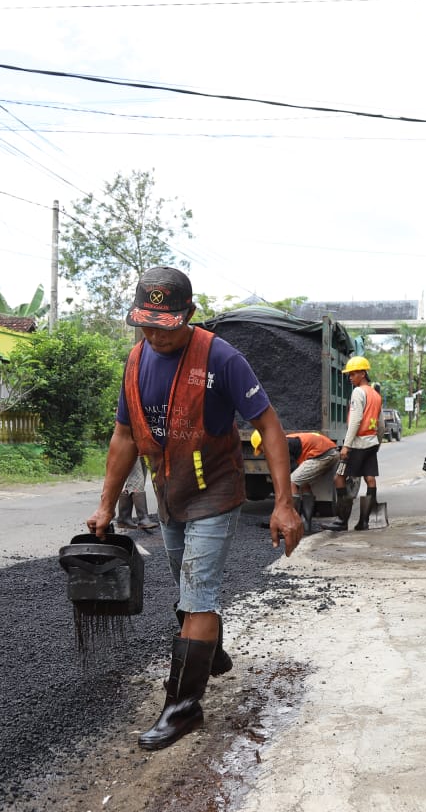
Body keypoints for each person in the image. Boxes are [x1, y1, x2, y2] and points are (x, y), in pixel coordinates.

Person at [87, 266, 303, 751]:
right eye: (146, 323)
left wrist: (284, 504)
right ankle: (212, 652)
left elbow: (268, 426)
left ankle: (183, 707)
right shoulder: (135, 360)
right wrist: (105, 505)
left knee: (198, 595)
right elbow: (124, 435)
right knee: (186, 589)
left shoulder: (221, 357)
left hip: (215, 492)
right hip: (170, 493)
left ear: (187, 315)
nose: (155, 334)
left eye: (165, 324)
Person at [332, 356, 382, 531]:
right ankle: (365, 522)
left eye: (353, 374)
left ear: (362, 373)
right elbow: (380, 423)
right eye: (349, 375)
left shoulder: (358, 392)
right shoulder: (375, 394)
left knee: (339, 477)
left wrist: (346, 445)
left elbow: (355, 421)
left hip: (358, 444)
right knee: (370, 479)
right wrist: (378, 443)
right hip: (372, 442)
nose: (350, 378)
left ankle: (341, 520)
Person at [278, 428, 339, 533]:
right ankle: (306, 525)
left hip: (322, 454)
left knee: (291, 481)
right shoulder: (286, 441)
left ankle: (292, 527)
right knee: (303, 482)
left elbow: (291, 472)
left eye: (261, 448)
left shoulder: (282, 445)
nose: (263, 452)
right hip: (329, 452)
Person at [113, 456, 158, 531]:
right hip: (130, 447)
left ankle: (124, 518)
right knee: (137, 479)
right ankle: (143, 518)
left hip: (142, 450)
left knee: (139, 478)